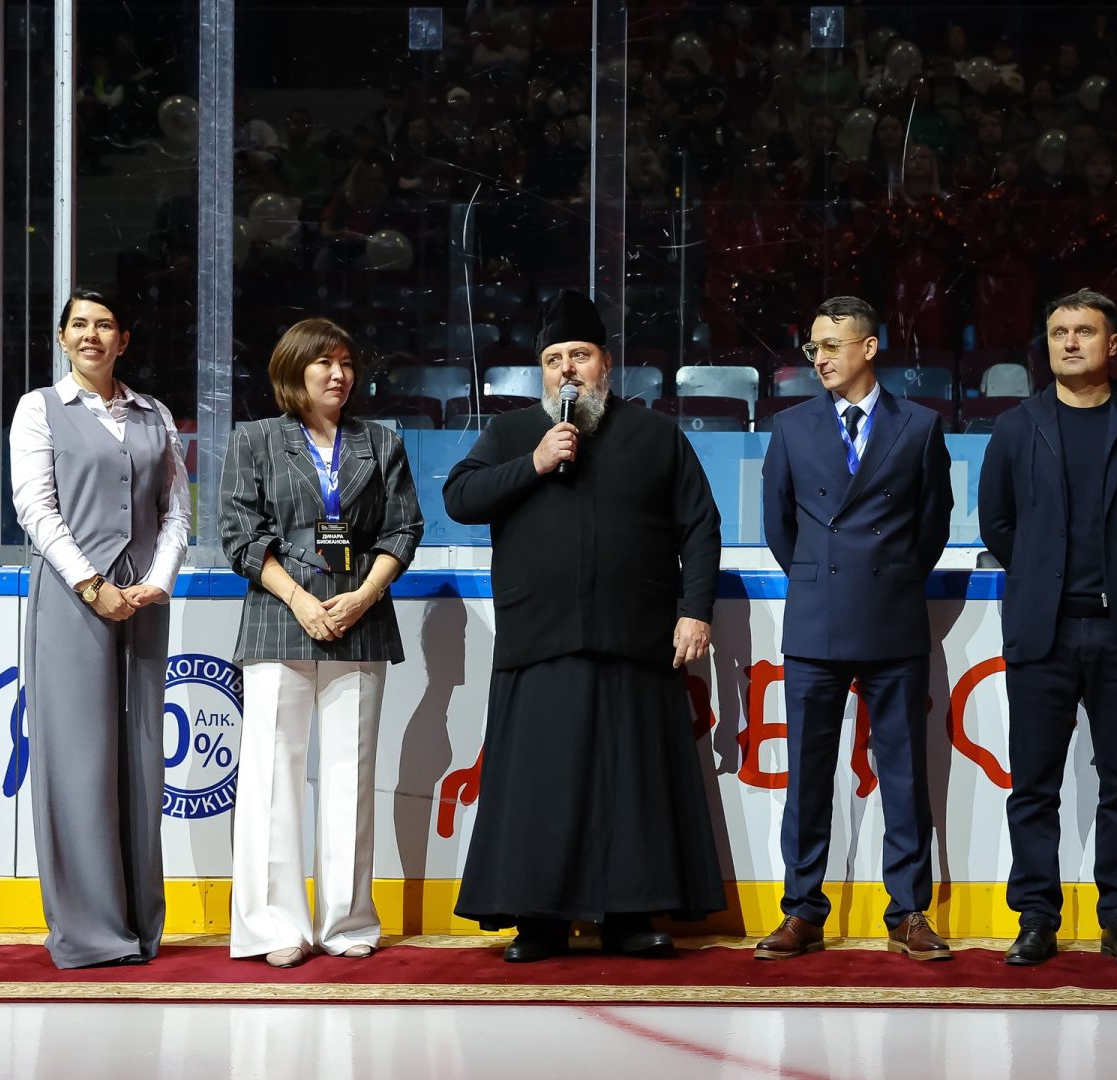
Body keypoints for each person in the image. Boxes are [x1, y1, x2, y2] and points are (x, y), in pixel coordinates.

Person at [446, 292, 725, 962]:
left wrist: (694, 611)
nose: (566, 369)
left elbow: (701, 526)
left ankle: (629, 917)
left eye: (579, 355)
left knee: (631, 789)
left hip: (636, 641)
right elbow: (460, 499)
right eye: (552, 359)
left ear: (605, 364)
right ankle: (538, 920)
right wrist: (536, 464)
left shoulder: (655, 434)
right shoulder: (513, 434)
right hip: (538, 642)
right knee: (542, 788)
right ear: (541, 372)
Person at [979, 289, 1117, 967]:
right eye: (1059, 330)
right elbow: (998, 525)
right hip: (1043, 632)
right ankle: (1037, 916)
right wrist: (1042, 574)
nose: (1070, 342)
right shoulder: (1016, 427)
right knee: (1033, 784)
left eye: (1085, 331)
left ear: (1112, 344)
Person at [219, 318, 423, 968]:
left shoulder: (380, 442)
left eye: (345, 362)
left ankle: (346, 920)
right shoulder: (253, 440)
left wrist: (362, 596)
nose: (337, 374)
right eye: (322, 363)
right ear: (292, 370)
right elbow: (240, 535)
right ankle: (272, 926)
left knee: (351, 776)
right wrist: (302, 600)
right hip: (283, 613)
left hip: (359, 615)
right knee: (272, 779)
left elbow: (403, 529)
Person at [756, 296, 954, 962]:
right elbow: (779, 529)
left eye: (832, 345)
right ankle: (803, 910)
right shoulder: (790, 429)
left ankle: (908, 913)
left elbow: (933, 527)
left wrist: (891, 575)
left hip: (892, 618)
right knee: (809, 775)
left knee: (902, 775)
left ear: (869, 348)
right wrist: (818, 576)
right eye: (813, 346)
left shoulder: (921, 427)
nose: (819, 358)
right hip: (814, 623)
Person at [9, 288, 190, 969]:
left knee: (141, 760)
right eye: (79, 324)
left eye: (104, 325)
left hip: (143, 599)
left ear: (124, 341)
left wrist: (158, 582)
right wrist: (91, 585)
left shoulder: (154, 414)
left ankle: (140, 929)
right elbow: (35, 508)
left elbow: (175, 512)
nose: (92, 334)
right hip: (72, 599)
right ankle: (89, 934)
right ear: (62, 339)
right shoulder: (39, 409)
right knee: (80, 760)